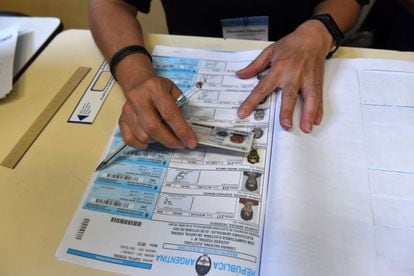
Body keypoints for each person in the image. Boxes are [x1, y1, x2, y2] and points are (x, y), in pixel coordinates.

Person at [88, 0, 367, 150]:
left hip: (302, 55)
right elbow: (109, 3)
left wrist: (320, 30)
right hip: (193, 63)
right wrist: (135, 75)